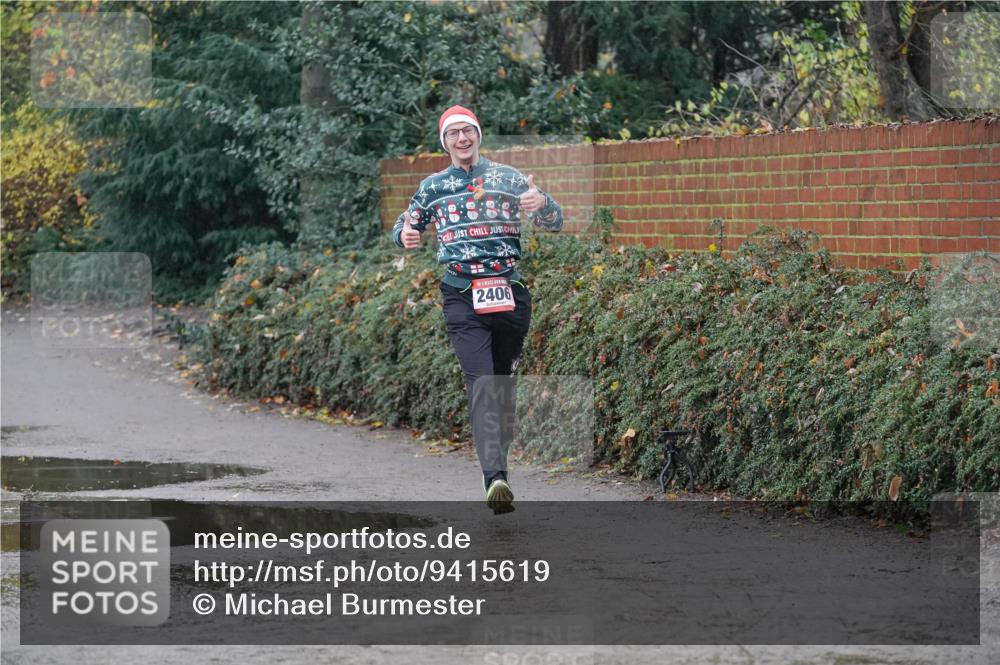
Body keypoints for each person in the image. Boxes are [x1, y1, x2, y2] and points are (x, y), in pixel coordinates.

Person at [391, 105, 564, 514]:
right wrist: (407, 234)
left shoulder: (508, 177)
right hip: (461, 294)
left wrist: (542, 203)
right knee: (482, 382)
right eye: (453, 134)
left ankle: (497, 466)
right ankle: (496, 478)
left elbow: (554, 221)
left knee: (501, 388)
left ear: (478, 135)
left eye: (467, 131)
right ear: (445, 142)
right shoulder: (433, 186)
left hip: (509, 293)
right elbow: (405, 224)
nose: (462, 139)